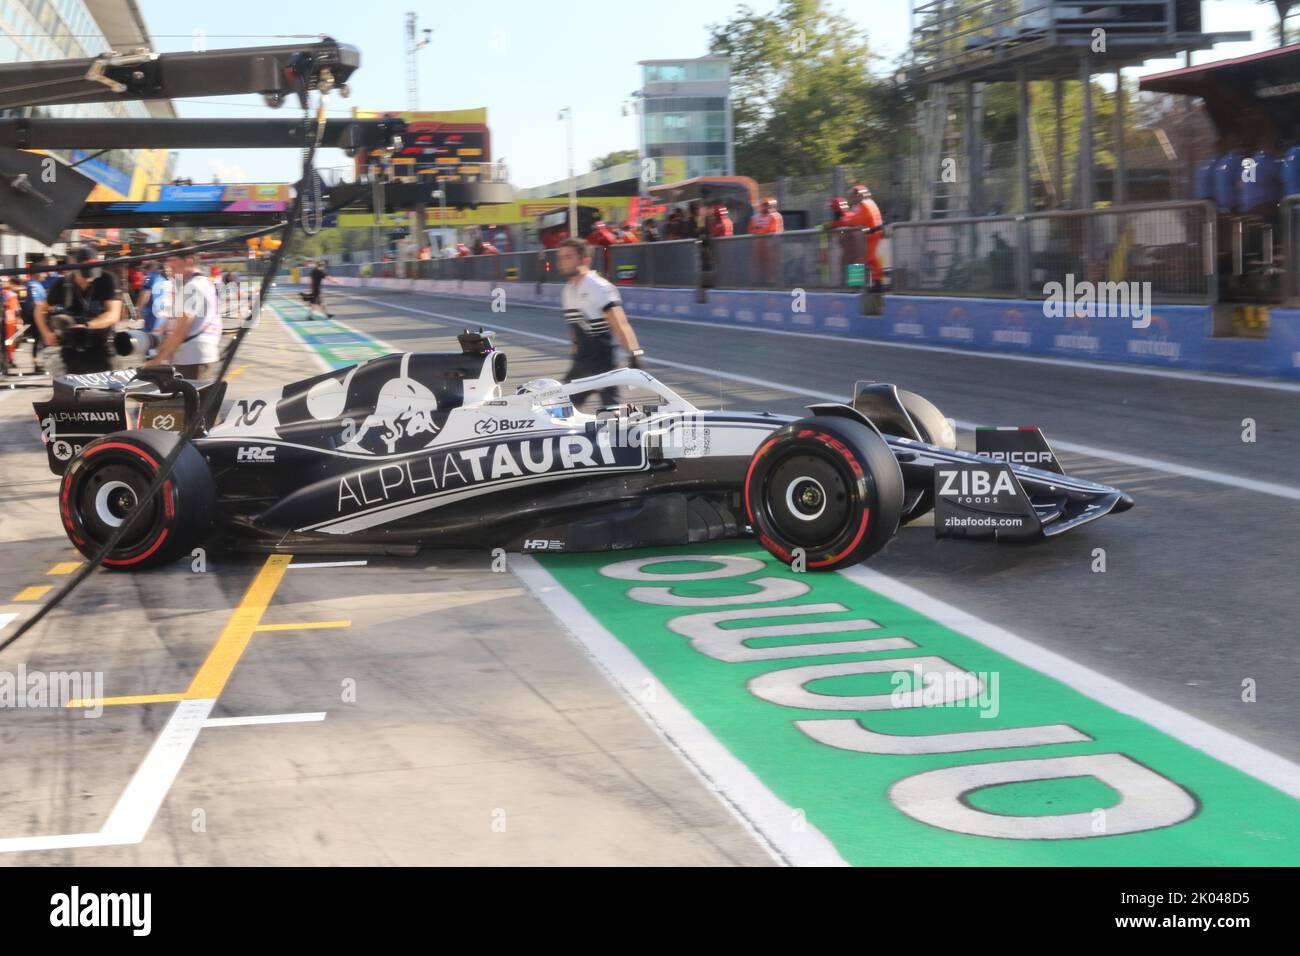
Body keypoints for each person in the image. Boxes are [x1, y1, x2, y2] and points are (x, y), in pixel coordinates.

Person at [556, 237, 644, 410]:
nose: (562, 262)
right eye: (560, 257)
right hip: (581, 366)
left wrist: (634, 354)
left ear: (584, 260)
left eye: (568, 257)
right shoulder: (567, 291)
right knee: (558, 410)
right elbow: (574, 329)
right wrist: (574, 355)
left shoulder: (599, 287)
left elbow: (620, 323)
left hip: (605, 366)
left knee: (615, 419)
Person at [35, 245, 122, 375]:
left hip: (101, 348)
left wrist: (87, 326)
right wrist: (46, 334)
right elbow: (39, 310)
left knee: (105, 392)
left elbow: (113, 314)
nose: (91, 278)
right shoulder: (63, 284)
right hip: (70, 350)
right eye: (85, 273)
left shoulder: (107, 279)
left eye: (93, 272)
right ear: (76, 268)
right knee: (71, 391)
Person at [150, 246, 222, 380]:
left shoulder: (192, 287)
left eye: (173, 260)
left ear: (188, 261)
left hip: (191, 359)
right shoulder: (202, 283)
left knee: (190, 400)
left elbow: (180, 332)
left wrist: (156, 361)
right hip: (197, 355)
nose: (169, 264)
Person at [847, 184, 885, 291]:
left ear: (859, 195)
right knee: (868, 259)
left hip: (870, 235)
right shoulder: (869, 203)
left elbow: (857, 220)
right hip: (871, 234)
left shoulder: (863, 205)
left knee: (864, 259)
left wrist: (848, 221)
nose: (854, 198)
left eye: (855, 195)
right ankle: (873, 283)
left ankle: (858, 284)